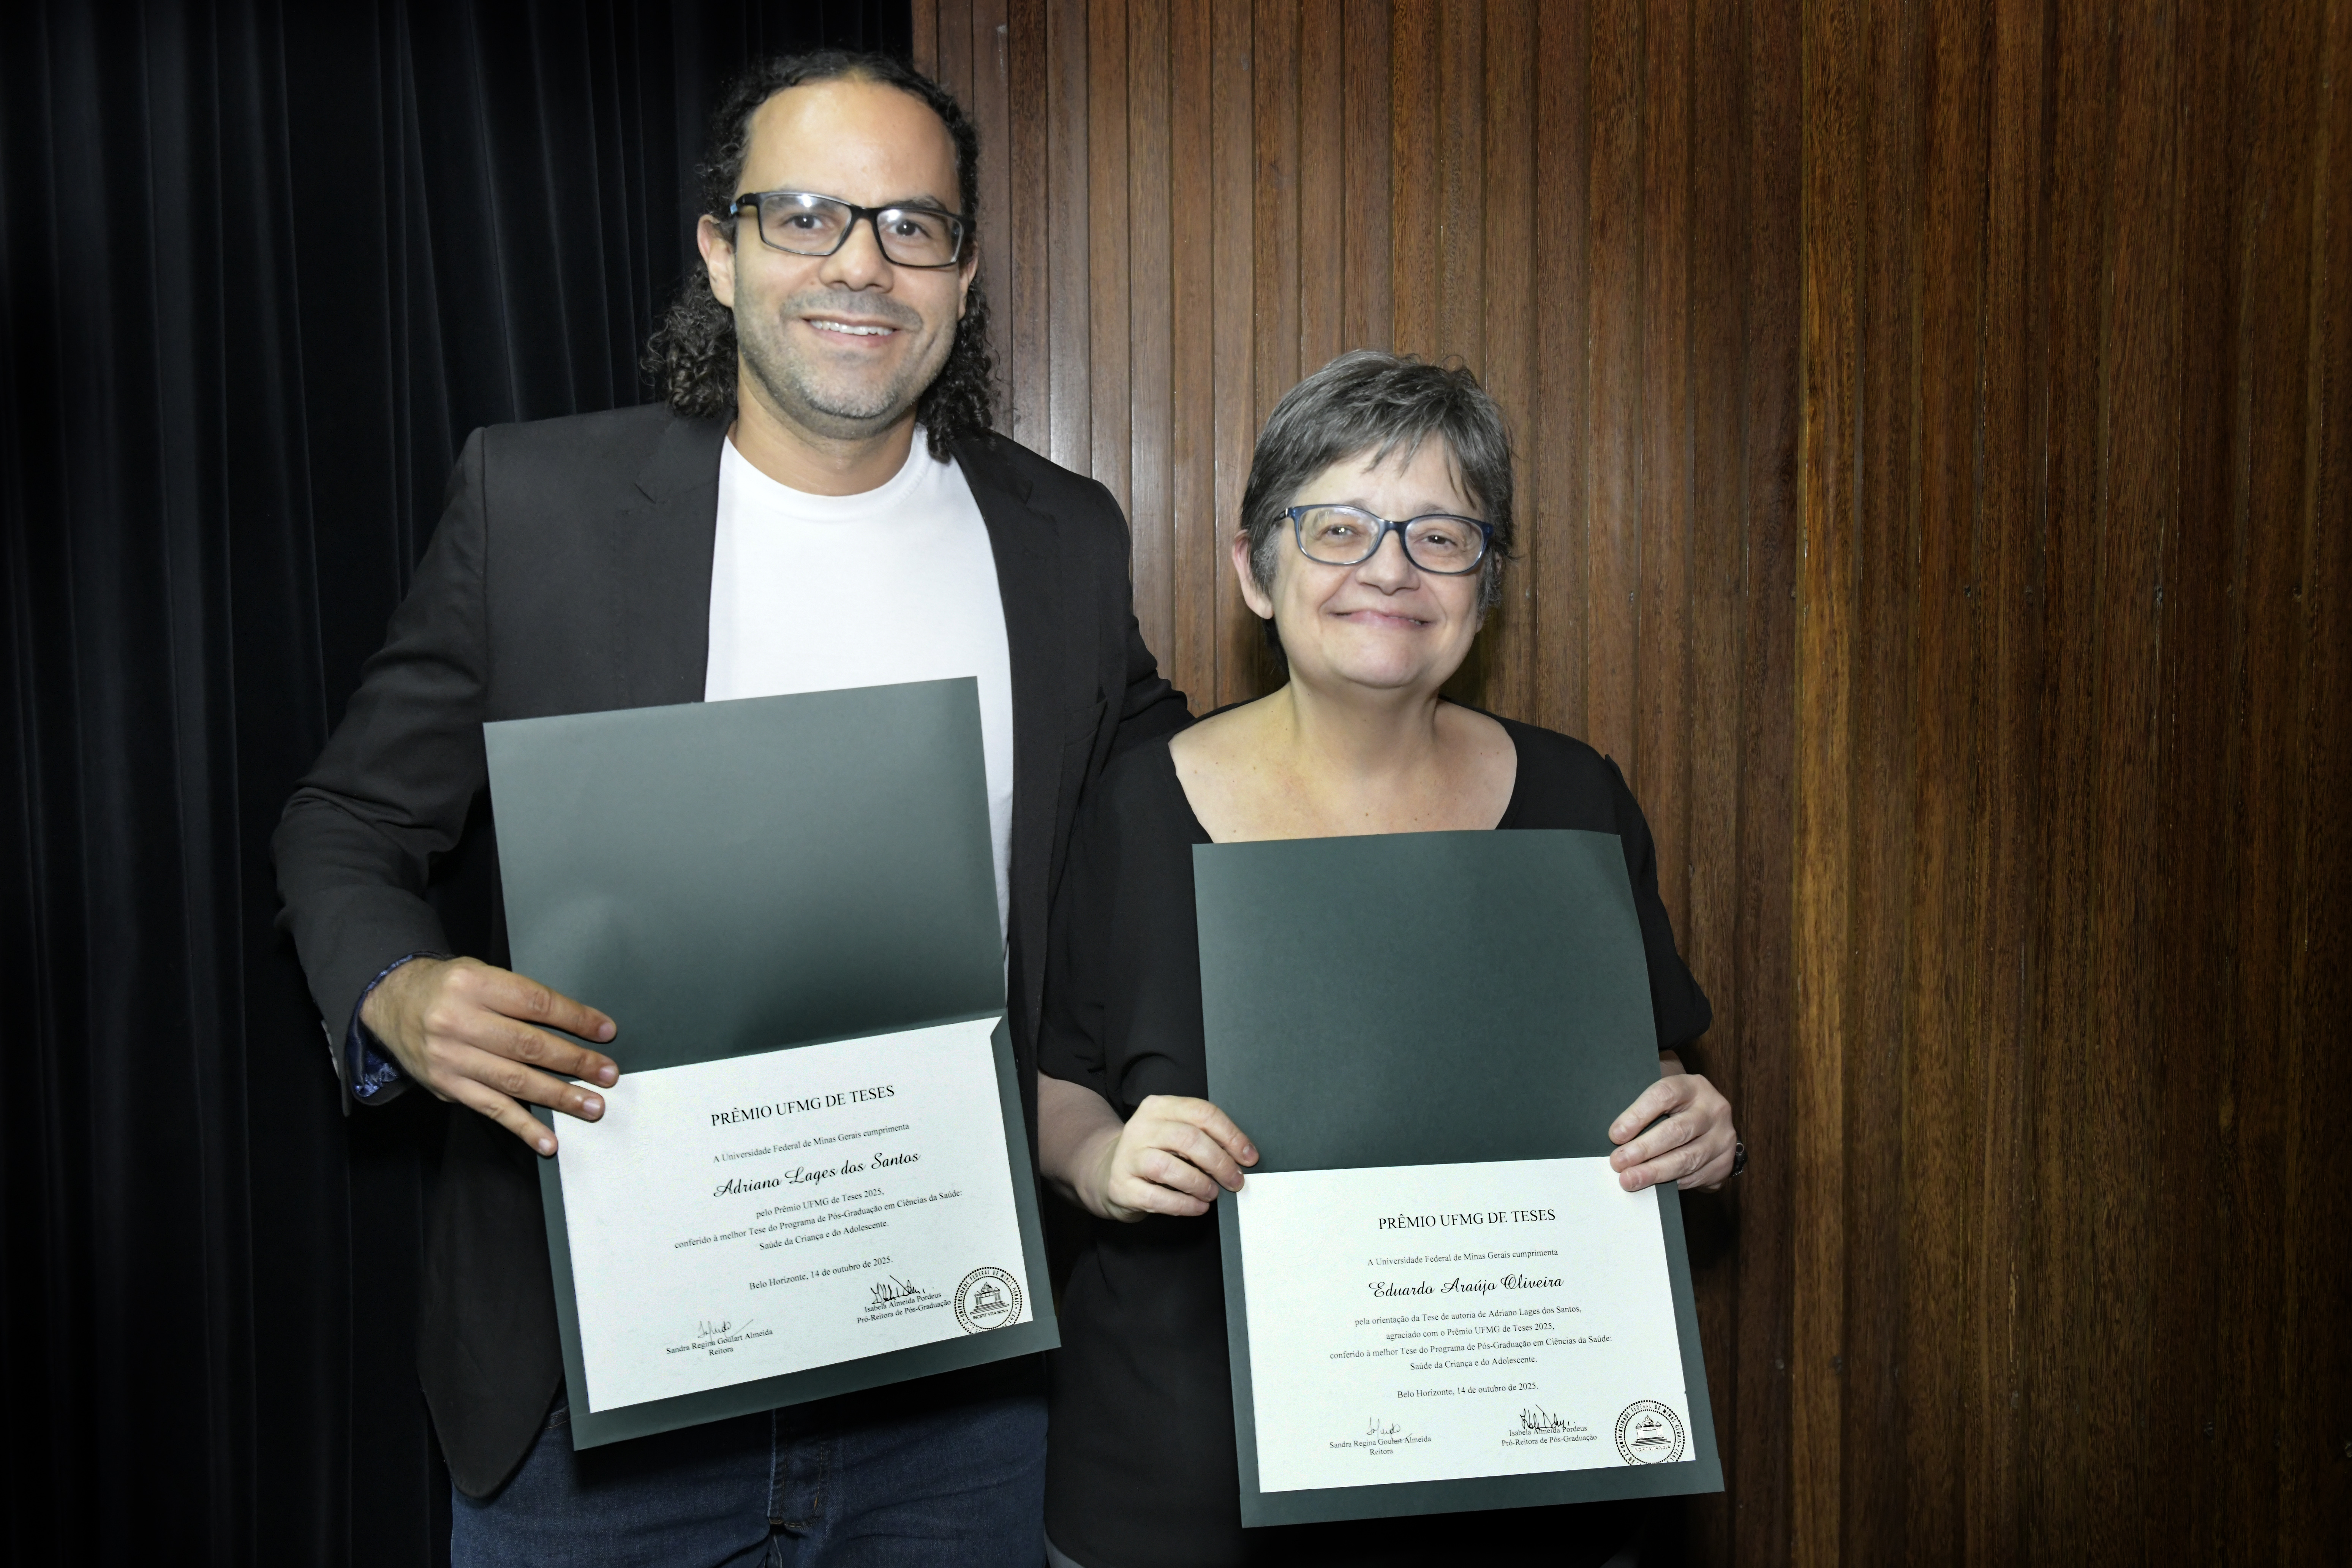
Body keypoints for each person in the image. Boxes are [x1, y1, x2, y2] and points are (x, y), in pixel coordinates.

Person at [272, 48, 1188, 1568]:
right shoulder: (538, 507)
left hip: (951, 1390)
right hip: (593, 1404)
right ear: (721, 249)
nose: (861, 264)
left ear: (963, 274)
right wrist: (399, 989)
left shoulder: (1064, 540)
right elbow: (346, 820)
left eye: (912, 225)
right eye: (807, 215)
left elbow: (1175, 810)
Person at [1034, 351, 1743, 1568]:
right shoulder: (1134, 807)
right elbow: (1057, 1081)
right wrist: (1101, 1161)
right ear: (1254, 570)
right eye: (1339, 527)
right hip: (1184, 1490)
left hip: (1524, 1482)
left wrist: (1693, 1125)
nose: (1390, 569)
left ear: (1488, 584)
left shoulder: (1579, 799)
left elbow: (1645, 1075)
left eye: (1441, 536)